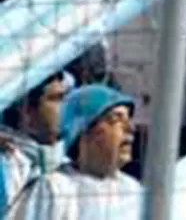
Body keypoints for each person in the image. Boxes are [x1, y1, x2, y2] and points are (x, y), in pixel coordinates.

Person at [10, 84, 142, 218]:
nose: (130, 128)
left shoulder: (135, 192)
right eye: (115, 119)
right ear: (83, 132)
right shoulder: (54, 189)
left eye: (128, 119)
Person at [0, 72, 70, 215]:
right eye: (57, 99)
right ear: (27, 111)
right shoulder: (7, 168)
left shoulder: (72, 161)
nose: (67, 106)